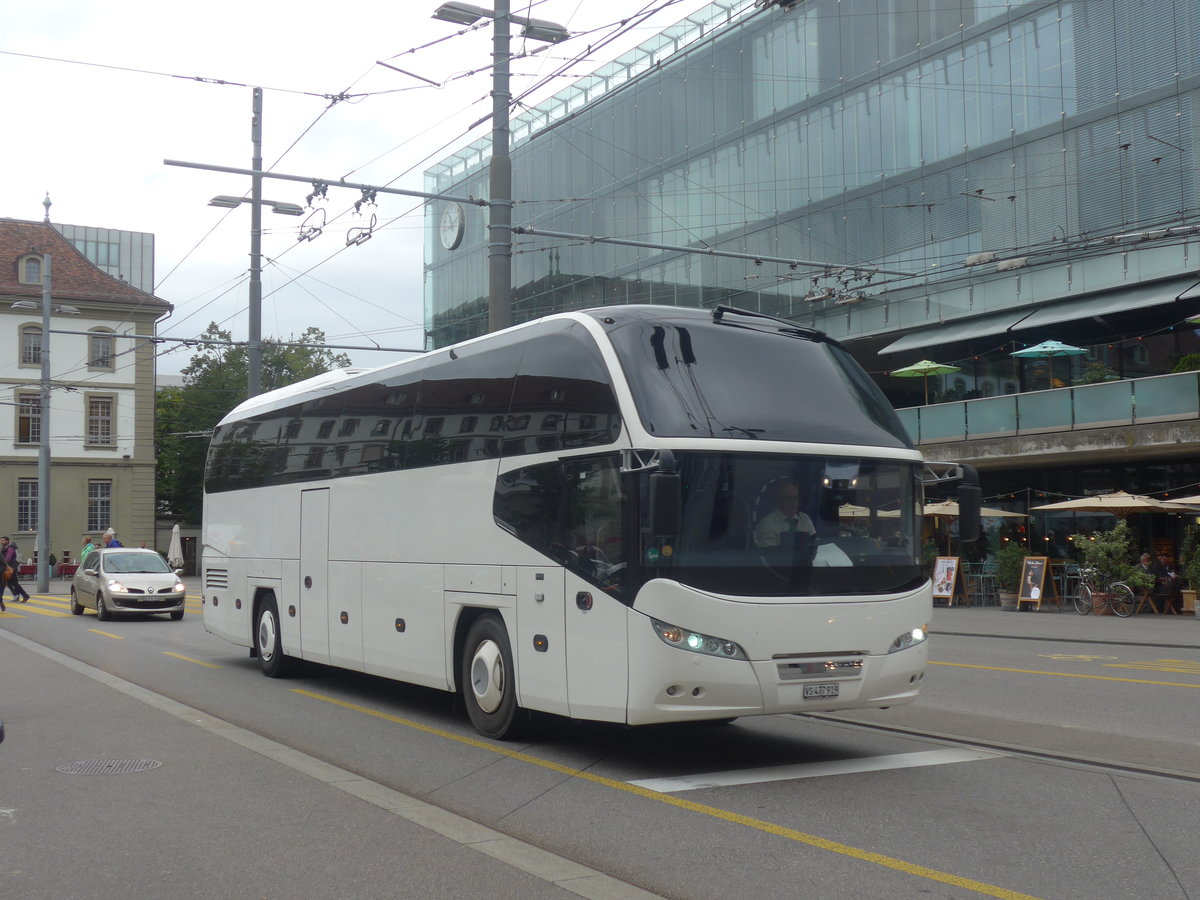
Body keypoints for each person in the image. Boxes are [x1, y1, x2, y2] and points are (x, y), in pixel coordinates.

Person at [754, 478, 815, 549]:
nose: (793, 503)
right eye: (788, 498)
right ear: (778, 501)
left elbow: (813, 546)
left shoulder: (805, 519)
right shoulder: (766, 525)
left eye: (796, 498)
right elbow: (768, 556)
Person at [0, 536, 31, 604]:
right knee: (9, 583)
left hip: (11, 568)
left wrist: (3, 563)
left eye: (3, 540)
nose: (1, 542)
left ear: (7, 541)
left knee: (14, 583)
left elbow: (8, 558)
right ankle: (18, 596)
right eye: (1, 540)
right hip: (7, 568)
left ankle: (24, 596)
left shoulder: (10, 548)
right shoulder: (4, 548)